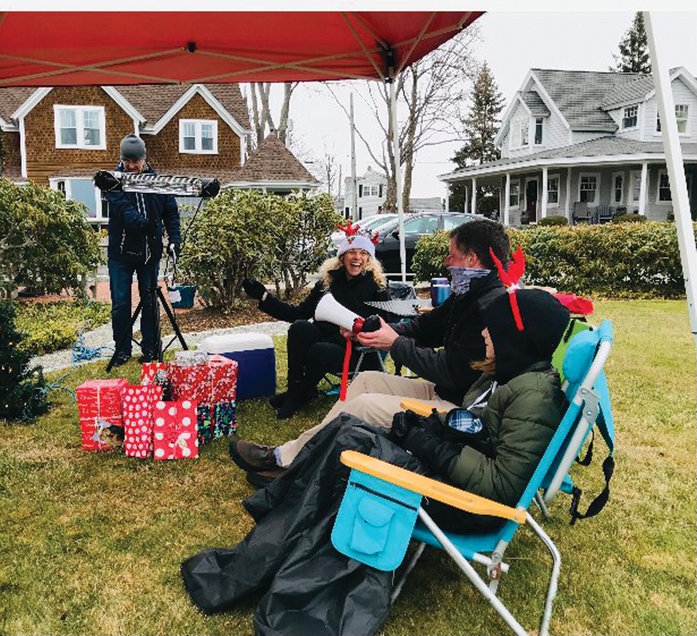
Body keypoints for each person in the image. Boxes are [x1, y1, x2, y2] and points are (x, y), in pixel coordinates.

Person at [182, 288, 571, 635]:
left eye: (493, 329)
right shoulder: (515, 378)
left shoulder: (530, 397)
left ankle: (274, 525)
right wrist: (427, 427)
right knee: (349, 430)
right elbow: (472, 427)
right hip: (451, 478)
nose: (484, 334)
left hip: (463, 505)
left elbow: (499, 487)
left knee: (349, 440)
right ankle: (278, 509)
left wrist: (425, 441)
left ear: (514, 336)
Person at [231, 218, 510, 480]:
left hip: (457, 410)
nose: (447, 263)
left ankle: (290, 462)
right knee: (364, 381)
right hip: (441, 391)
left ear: (471, 259)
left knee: (363, 405)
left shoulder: (490, 307)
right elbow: (424, 327)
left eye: (451, 256)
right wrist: (379, 332)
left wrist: (394, 343)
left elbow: (451, 371)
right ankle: (294, 451)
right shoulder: (467, 296)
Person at [241, 221, 389, 419]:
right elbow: (297, 313)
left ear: (368, 259)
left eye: (363, 253)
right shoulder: (328, 282)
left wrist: (361, 332)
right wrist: (264, 297)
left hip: (358, 351)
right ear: (343, 256)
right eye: (352, 252)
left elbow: (383, 324)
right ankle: (297, 390)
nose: (357, 257)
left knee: (320, 350)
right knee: (299, 328)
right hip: (327, 342)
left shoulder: (376, 287)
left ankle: (299, 394)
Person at [99, 134, 180, 364]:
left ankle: (151, 349)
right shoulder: (112, 181)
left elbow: (171, 213)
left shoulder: (158, 183)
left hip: (149, 254)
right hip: (120, 254)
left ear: (144, 159)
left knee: (150, 302)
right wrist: (143, 224)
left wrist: (174, 239)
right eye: (128, 162)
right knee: (121, 303)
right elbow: (123, 209)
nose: (132, 167)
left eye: (136, 162)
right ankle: (122, 350)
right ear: (122, 159)